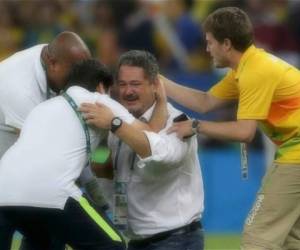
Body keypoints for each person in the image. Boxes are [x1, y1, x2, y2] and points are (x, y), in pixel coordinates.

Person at [162, 6, 300, 250]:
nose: (207, 50)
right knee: (290, 240)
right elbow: (205, 103)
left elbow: (244, 132)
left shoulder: (254, 72)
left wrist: (194, 126)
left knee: (256, 238)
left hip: (296, 156)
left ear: (226, 44)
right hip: (292, 153)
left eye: (210, 42)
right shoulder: (247, 67)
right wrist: (159, 81)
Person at [0, 58, 167, 250]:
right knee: (113, 245)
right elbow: (150, 135)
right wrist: (162, 100)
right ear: (100, 87)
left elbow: (92, 160)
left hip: (3, 190)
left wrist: (104, 142)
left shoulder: (42, 107)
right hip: (53, 192)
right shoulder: (97, 101)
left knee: (46, 241)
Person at [80, 50, 204, 250]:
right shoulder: (116, 123)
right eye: (122, 84)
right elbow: (102, 170)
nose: (128, 91)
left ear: (155, 85)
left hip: (176, 240)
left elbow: (161, 157)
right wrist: (103, 138)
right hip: (136, 241)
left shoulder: (177, 121)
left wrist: (114, 124)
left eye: (135, 84)